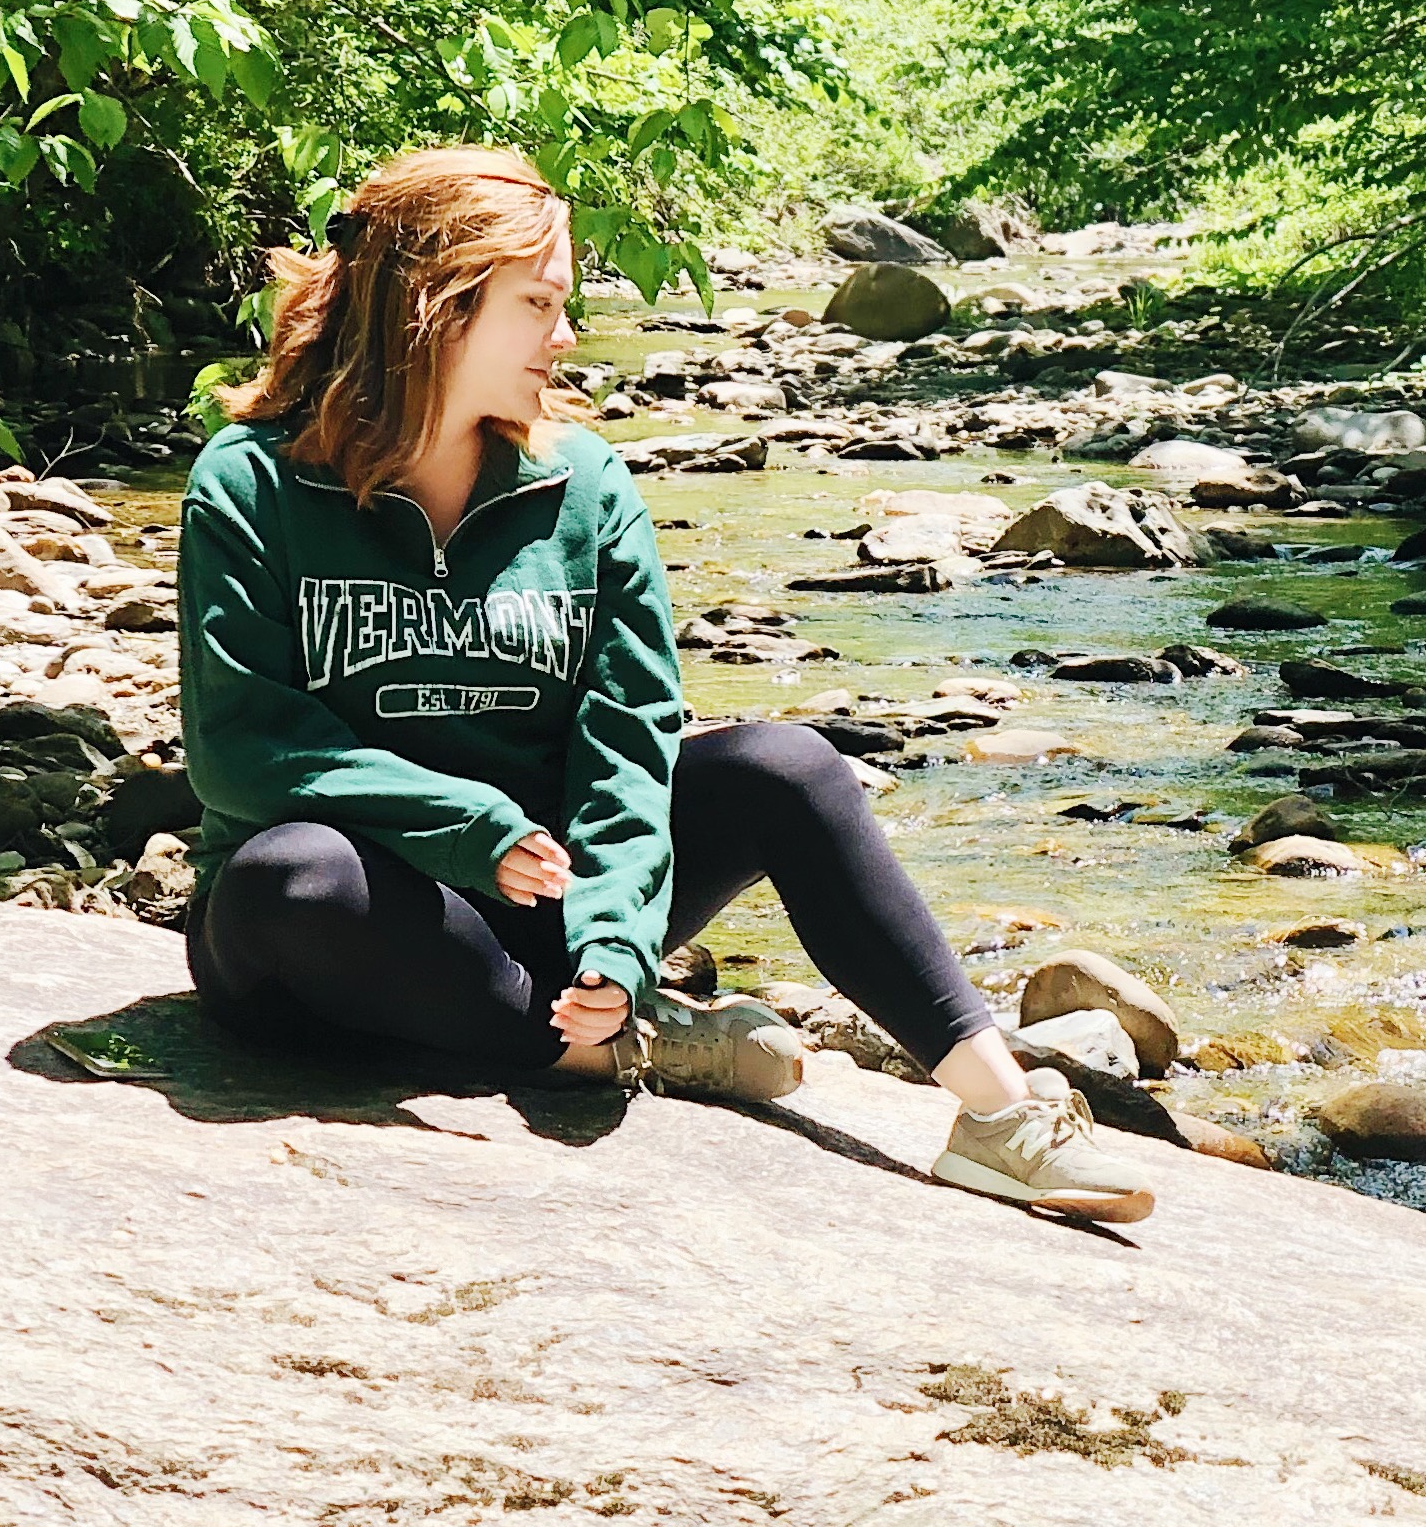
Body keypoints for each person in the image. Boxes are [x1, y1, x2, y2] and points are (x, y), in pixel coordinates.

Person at [176, 143, 1155, 1223]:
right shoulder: (252, 482)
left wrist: (615, 937)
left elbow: (627, 741)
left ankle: (1000, 1116)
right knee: (291, 877)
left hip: (545, 903)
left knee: (788, 767)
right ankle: (606, 1051)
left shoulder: (583, 485)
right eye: (537, 304)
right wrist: (466, 826)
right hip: (344, 936)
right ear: (434, 305)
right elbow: (243, 746)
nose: (565, 336)